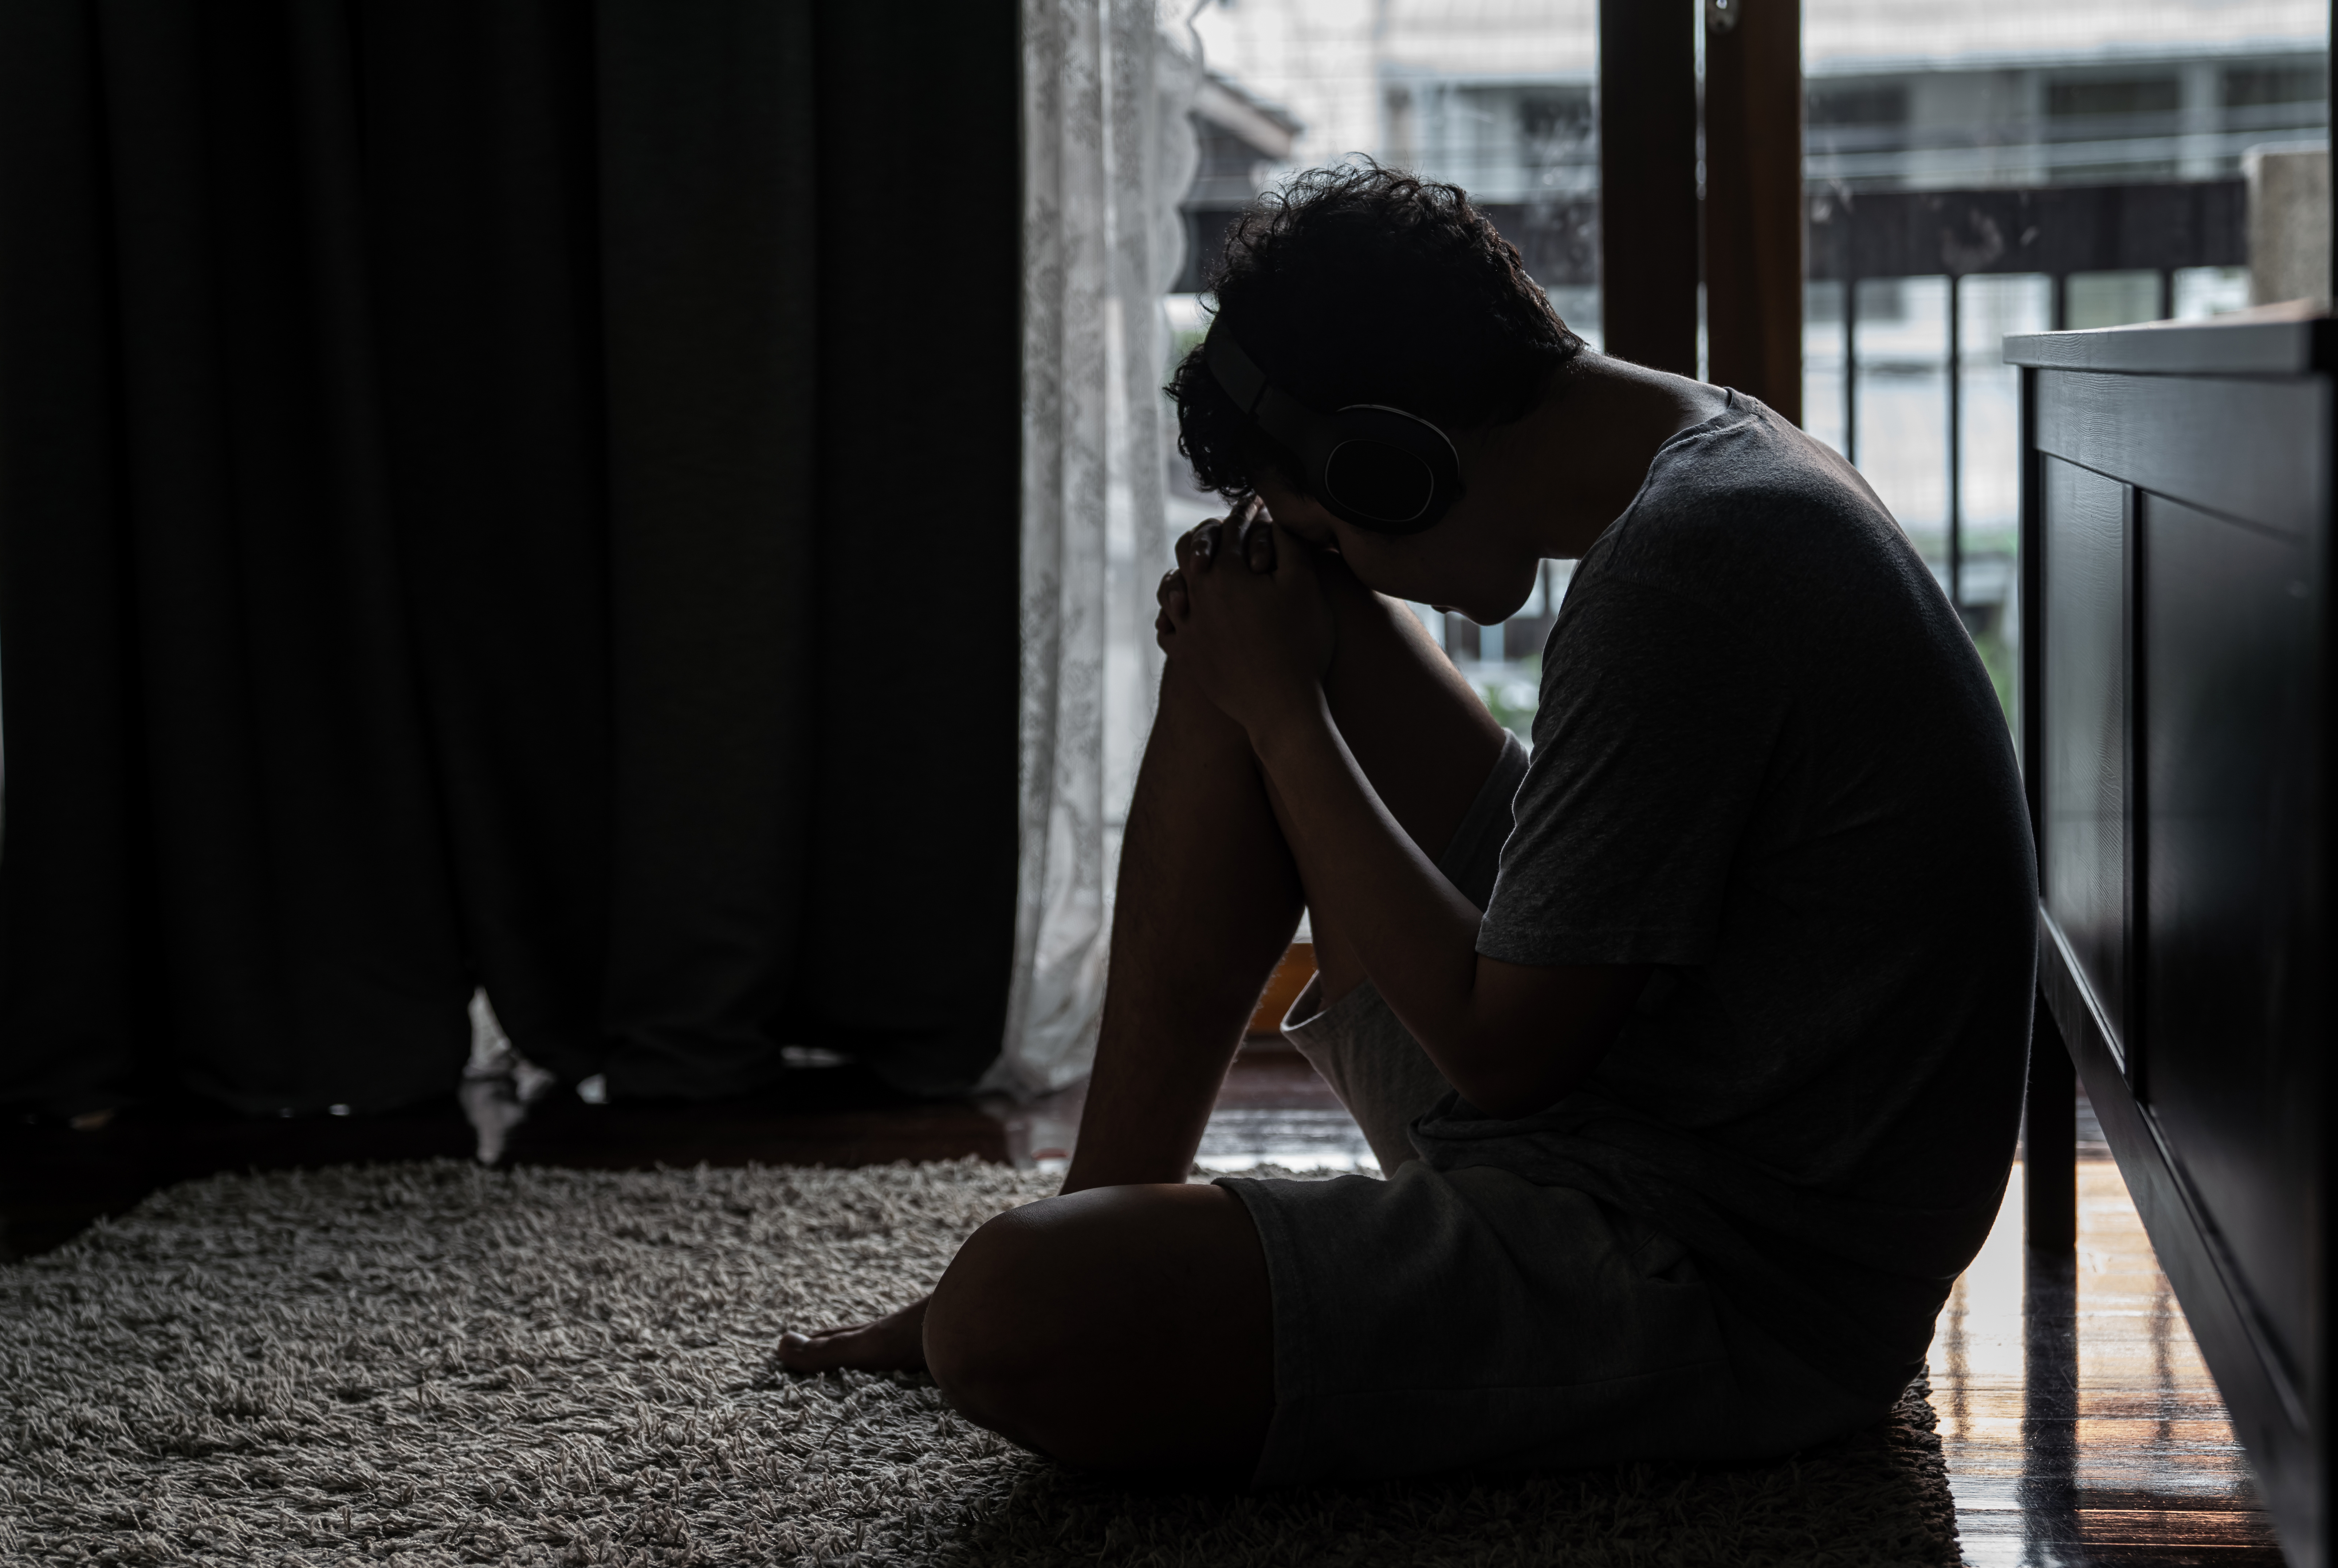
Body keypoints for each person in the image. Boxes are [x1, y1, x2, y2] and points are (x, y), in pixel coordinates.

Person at [777, 163, 2038, 1489]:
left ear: (1392, 466)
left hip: (1737, 1283)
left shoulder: (1688, 570)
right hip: (1667, 1107)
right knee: (1259, 626)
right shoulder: (1714, 457)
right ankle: (1101, 1203)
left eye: (1331, 527)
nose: (1338, 559)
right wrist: (1266, 670)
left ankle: (1086, 1254)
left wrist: (1285, 715)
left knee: (1007, 1318)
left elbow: (1505, 1057)